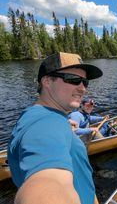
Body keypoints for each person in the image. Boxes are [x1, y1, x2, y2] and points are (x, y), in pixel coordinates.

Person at [7, 52, 102, 204]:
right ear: (47, 81)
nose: (83, 89)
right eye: (73, 79)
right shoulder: (45, 124)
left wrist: (65, 124)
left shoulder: (49, 117)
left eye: (85, 82)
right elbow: (47, 185)